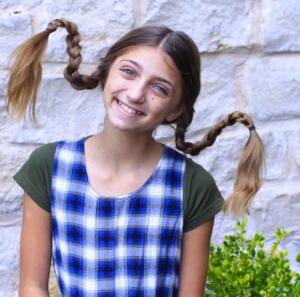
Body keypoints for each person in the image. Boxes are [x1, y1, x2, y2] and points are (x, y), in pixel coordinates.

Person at [6, 19, 264, 296]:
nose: (136, 93)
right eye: (128, 72)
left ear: (175, 109)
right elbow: (32, 287)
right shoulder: (49, 167)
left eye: (159, 88)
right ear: (106, 71)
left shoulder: (192, 185)